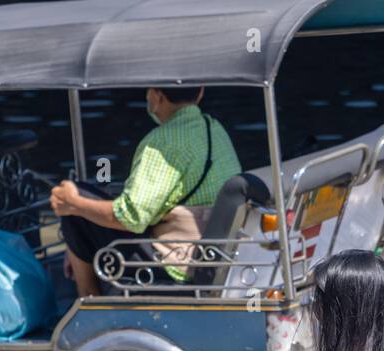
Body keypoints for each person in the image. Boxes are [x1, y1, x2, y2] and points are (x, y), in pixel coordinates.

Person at [49, 86, 240, 296]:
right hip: (208, 252)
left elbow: (132, 217)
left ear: (156, 96)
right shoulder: (214, 128)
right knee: (86, 201)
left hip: (174, 263)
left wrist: (73, 204)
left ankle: (88, 302)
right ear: (201, 92)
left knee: (77, 203)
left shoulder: (163, 140)